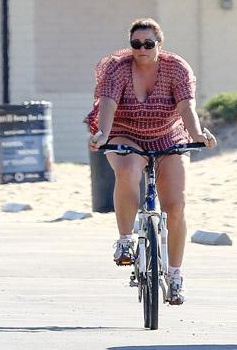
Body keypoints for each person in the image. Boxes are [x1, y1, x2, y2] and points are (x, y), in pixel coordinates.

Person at [85, 18, 217, 305]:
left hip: (168, 135)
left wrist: (197, 134)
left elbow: (186, 107)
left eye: (148, 44)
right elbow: (108, 104)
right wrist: (102, 134)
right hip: (125, 132)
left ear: (160, 43)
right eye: (136, 44)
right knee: (128, 170)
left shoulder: (177, 68)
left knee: (176, 205)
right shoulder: (117, 69)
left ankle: (175, 274)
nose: (141, 49)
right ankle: (125, 240)